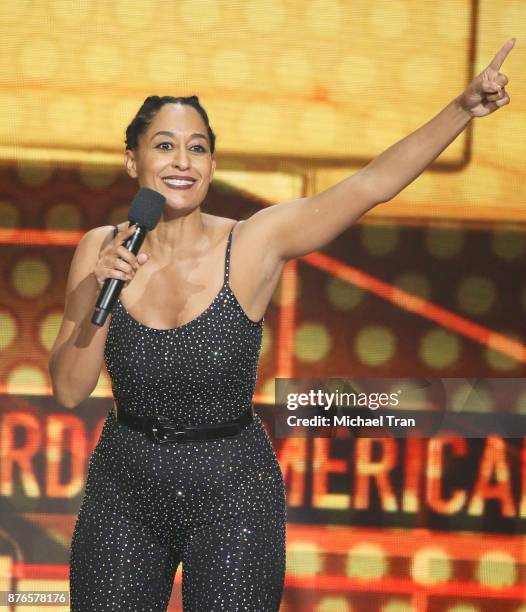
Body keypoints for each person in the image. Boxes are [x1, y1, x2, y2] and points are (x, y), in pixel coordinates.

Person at [48, 38, 513, 612]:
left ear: (212, 165)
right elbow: (70, 390)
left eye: (197, 149)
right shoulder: (100, 249)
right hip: (125, 487)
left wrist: (461, 109)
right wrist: (98, 285)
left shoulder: (253, 242)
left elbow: (369, 186)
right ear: (133, 161)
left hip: (232, 493)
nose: (182, 162)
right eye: (164, 146)